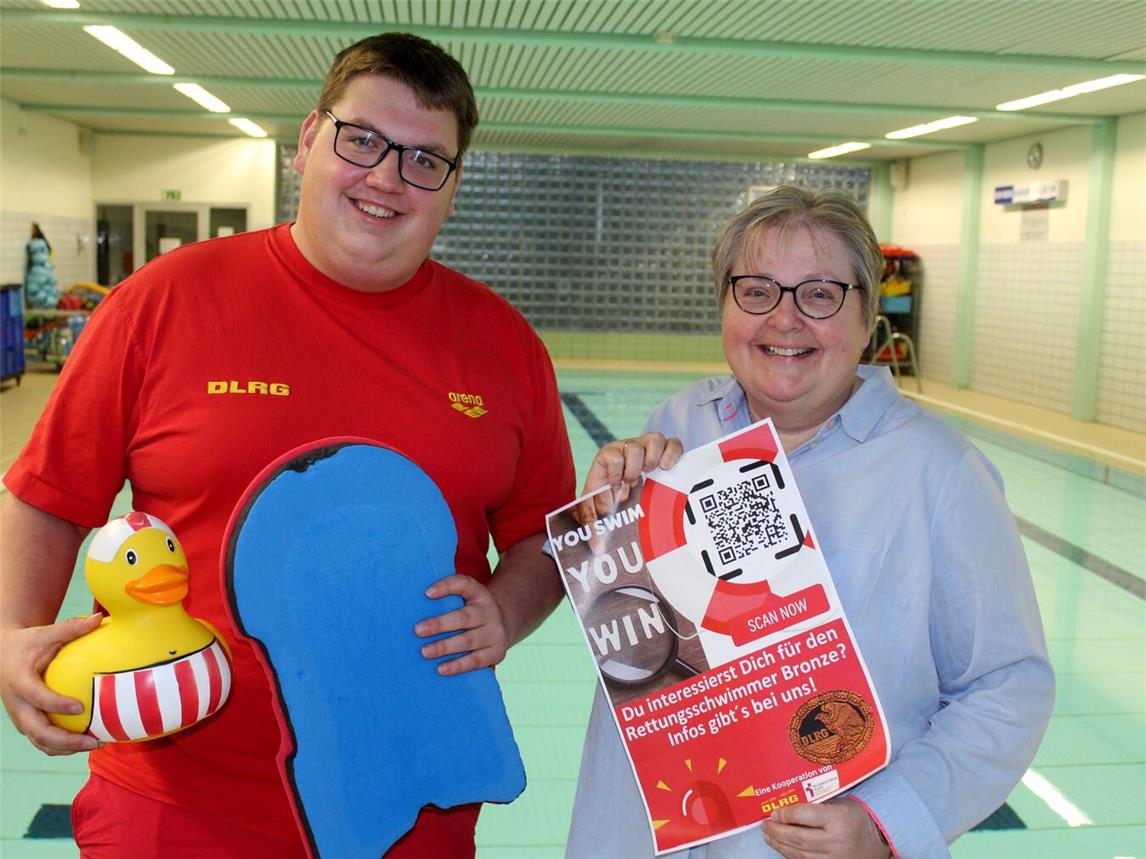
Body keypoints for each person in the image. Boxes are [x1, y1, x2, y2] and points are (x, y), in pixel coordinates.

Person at [1, 33, 575, 858]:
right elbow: (48, 493)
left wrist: (507, 609)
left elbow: (543, 536)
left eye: (425, 159)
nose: (386, 177)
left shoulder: (506, 346)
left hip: (409, 805)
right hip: (172, 800)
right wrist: (12, 635)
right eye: (362, 139)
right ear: (308, 142)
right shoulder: (161, 303)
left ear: (452, 186)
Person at [566, 186, 1053, 858]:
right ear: (725, 303)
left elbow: (1009, 687)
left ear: (866, 315)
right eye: (757, 289)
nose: (785, 319)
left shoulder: (936, 470)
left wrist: (887, 822)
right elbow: (639, 645)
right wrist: (607, 522)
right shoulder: (680, 426)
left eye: (819, 293)